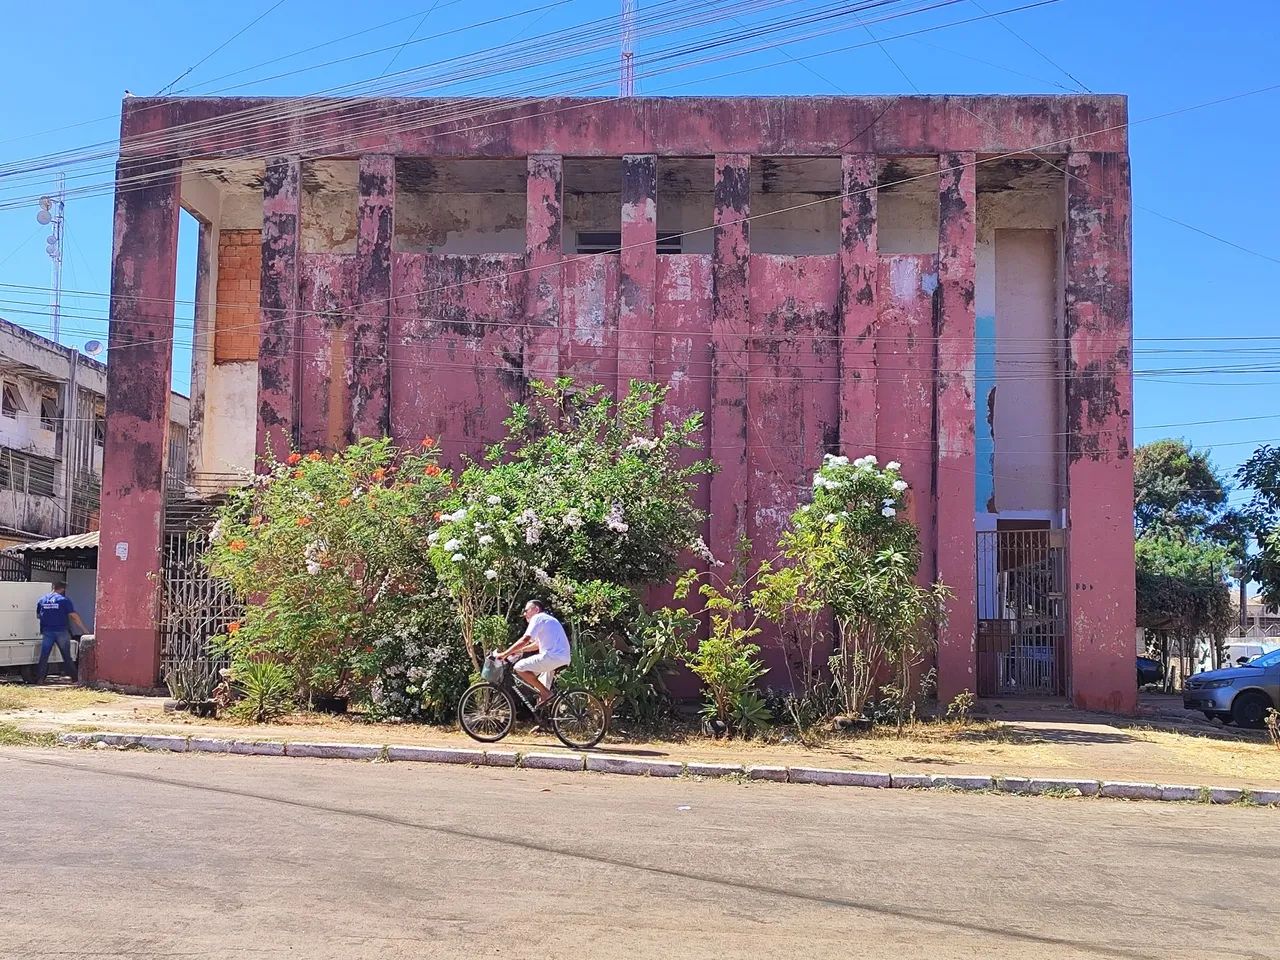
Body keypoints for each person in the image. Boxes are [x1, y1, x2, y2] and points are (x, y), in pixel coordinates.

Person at [494, 599, 571, 707]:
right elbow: (536, 645)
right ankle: (545, 708)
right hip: (561, 657)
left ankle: (547, 693)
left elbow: (525, 639)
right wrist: (517, 651)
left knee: (519, 667)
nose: (524, 614)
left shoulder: (537, 617)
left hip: (552, 656)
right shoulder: (547, 620)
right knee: (536, 682)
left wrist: (504, 654)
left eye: (526, 610)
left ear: (536, 609)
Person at [34, 581, 86, 685]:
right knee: (66, 656)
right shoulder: (64, 600)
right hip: (61, 631)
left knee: (44, 656)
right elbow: (73, 616)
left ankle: (40, 679)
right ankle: (75, 679)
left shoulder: (42, 600)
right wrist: (84, 630)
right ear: (63, 589)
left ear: (53, 587)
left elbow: (38, 615)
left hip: (47, 631)